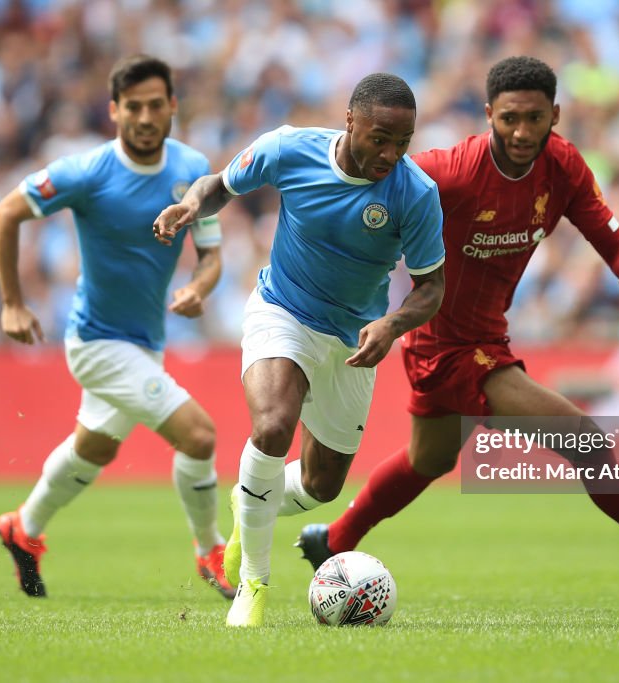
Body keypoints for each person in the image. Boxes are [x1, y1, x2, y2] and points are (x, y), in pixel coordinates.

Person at [296, 56, 619, 598]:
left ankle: (336, 538)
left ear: (555, 114)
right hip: (445, 342)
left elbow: (613, 240)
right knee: (584, 439)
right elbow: (372, 189)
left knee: (431, 458)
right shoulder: (451, 171)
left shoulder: (562, 168)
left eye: (534, 118)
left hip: (486, 334)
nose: (521, 131)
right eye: (509, 118)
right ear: (489, 113)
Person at [153, 73, 446, 626]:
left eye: (402, 142)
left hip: (355, 338)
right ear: (350, 121)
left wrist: (391, 324)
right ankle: (253, 585)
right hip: (282, 309)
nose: (389, 154)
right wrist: (193, 205)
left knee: (321, 486)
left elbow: (432, 286)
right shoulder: (289, 148)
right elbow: (219, 184)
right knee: (272, 426)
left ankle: (249, 510)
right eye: (379, 138)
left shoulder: (416, 194)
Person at [0, 54, 234, 600]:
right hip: (97, 342)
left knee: (94, 450)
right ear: (114, 111)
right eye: (133, 108)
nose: (145, 117)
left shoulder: (193, 167)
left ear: (172, 106)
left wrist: (200, 287)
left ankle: (22, 529)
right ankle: (210, 549)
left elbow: (211, 253)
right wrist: (12, 301)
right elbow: (6, 212)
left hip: (146, 344)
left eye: (155, 105)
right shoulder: (87, 172)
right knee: (199, 435)